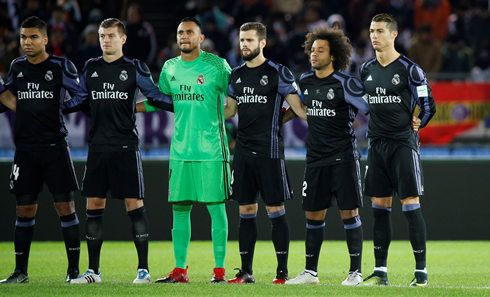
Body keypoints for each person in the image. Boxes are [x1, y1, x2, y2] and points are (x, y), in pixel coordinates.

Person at [63, 18, 172, 284]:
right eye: (102, 35)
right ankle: (94, 271)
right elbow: (79, 100)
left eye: (111, 35)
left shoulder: (135, 68)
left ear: (123, 39)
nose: (105, 40)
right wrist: (53, 107)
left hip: (125, 146)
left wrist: (185, 103)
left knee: (134, 205)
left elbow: (155, 96)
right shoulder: (91, 67)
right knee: (94, 204)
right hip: (98, 146)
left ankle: (143, 271)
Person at [138, 17, 231, 284]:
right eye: (180, 32)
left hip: (212, 149)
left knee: (216, 209)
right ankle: (179, 270)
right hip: (180, 149)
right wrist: (132, 108)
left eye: (190, 32)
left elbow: (237, 99)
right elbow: (162, 102)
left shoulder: (217, 66)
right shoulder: (169, 68)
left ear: (201, 37)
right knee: (179, 210)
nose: (184, 36)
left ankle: (220, 271)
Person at [284, 25, 369, 286]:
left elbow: (369, 107)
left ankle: (355, 272)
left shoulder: (346, 82)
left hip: (343, 157)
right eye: (312, 49)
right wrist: (273, 120)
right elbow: (294, 110)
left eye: (320, 50)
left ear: (333, 56)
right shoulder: (306, 82)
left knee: (349, 213)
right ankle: (310, 272)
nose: (314, 54)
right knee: (313, 214)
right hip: (316, 159)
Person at [223, 22, 306, 284]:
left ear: (263, 43)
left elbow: (300, 109)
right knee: (246, 209)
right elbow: (230, 111)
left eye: (249, 40)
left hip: (270, 152)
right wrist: (196, 111)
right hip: (243, 153)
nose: (244, 44)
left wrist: (325, 116)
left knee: (275, 210)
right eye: (242, 40)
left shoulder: (278, 72)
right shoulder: (235, 75)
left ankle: (281, 272)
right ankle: (246, 271)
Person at [0, 16, 81, 284]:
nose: (27, 42)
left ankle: (73, 272)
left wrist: (57, 109)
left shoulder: (61, 66)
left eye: (33, 37)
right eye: (23, 37)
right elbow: (11, 98)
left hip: (55, 147)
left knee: (65, 207)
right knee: (24, 211)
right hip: (25, 150)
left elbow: (80, 96)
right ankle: (20, 272)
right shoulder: (17, 67)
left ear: (46, 40)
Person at [360, 13, 436, 287]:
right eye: (371, 30)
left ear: (393, 34)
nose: (374, 35)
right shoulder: (366, 69)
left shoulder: (410, 69)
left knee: (410, 204)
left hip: (403, 145)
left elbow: (428, 105)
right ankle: (380, 271)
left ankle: (421, 273)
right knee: (379, 207)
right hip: (376, 146)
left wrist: (418, 123)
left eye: (380, 31)